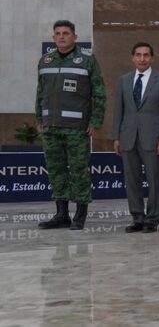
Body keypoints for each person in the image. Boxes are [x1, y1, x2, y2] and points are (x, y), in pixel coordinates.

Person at [35, 20, 106, 231]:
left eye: (66, 33)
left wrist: (95, 121)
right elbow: (40, 93)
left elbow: (99, 93)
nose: (62, 37)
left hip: (77, 128)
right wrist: (39, 118)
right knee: (56, 170)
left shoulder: (87, 60)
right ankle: (61, 214)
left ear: (74, 37)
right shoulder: (45, 60)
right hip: (50, 127)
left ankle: (80, 214)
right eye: (58, 33)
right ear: (53, 37)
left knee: (78, 170)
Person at [112, 41, 159, 233]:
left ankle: (152, 219)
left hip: (153, 138)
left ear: (152, 58)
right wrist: (116, 137)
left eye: (146, 55)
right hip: (128, 136)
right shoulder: (124, 80)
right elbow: (118, 111)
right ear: (133, 58)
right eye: (138, 55)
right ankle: (137, 218)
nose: (142, 59)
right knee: (132, 180)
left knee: (154, 181)